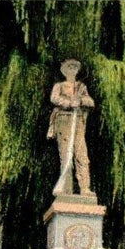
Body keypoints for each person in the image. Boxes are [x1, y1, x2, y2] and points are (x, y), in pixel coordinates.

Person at [48, 58, 95, 197]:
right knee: (66, 154)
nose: (73, 70)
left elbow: (90, 102)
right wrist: (68, 103)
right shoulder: (59, 85)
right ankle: (66, 188)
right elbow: (54, 98)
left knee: (81, 154)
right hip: (64, 120)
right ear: (65, 70)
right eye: (70, 67)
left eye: (75, 68)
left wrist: (80, 101)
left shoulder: (81, 87)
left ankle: (85, 187)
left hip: (78, 121)